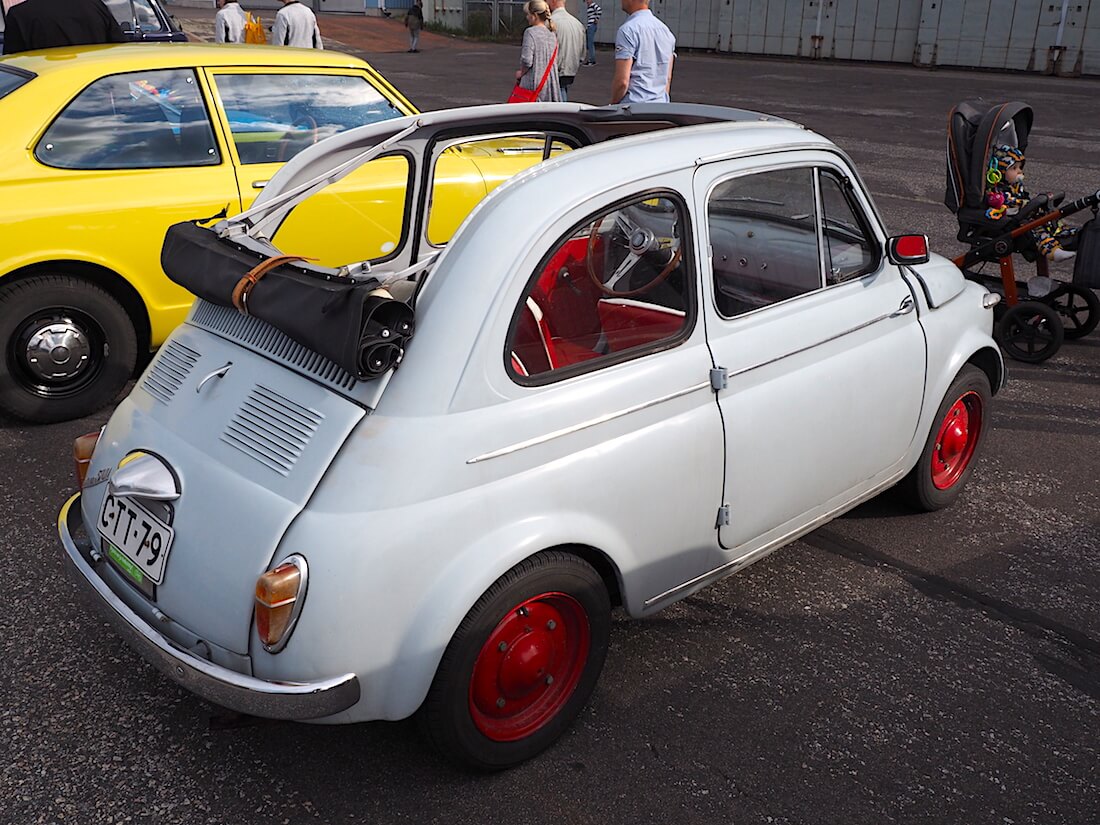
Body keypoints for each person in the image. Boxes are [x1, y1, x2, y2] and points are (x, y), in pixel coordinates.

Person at [985, 144, 1076, 263]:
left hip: (1024, 213)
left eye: (1020, 168)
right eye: (1014, 168)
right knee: (1036, 227)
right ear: (1000, 172)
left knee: (1050, 217)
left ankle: (1062, 232)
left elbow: (1024, 198)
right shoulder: (1000, 191)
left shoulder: (1015, 186)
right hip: (1014, 219)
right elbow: (1010, 203)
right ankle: (1051, 250)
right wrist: (1027, 204)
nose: (1019, 171)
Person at [610, 0, 675, 104]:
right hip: (660, 106)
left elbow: (622, 81)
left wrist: (613, 103)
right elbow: (667, 77)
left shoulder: (627, 30)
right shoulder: (666, 31)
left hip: (633, 108)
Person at [2, 0, 124, 54]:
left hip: (45, 91)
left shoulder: (19, 14)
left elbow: (14, 64)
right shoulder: (95, 6)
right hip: (93, 87)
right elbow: (119, 48)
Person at [514, 0, 561, 103]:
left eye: (528, 14)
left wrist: (521, 73)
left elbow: (527, 60)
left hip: (533, 83)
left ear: (534, 15)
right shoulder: (552, 34)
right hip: (550, 85)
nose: (527, 17)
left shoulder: (530, 32)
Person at [549, 0, 583, 101]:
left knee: (558, 95)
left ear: (553, 1)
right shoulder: (578, 24)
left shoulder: (550, 23)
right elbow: (582, 54)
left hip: (555, 70)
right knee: (563, 90)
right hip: (571, 69)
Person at [583, 0, 601, 65]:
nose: (587, 1)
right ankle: (591, 59)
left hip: (591, 25)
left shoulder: (593, 5)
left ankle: (591, 60)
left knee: (590, 43)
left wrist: (596, 19)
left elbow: (599, 10)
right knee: (589, 43)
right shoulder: (590, 6)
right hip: (590, 25)